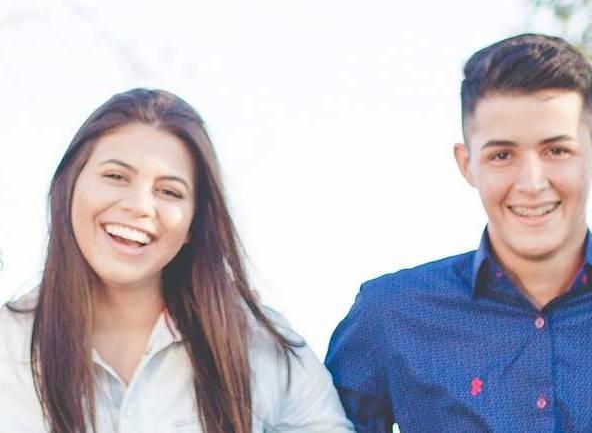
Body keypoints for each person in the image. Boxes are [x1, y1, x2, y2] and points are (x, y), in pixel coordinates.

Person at [325, 33, 592, 432]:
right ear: (467, 164)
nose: (532, 182)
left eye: (556, 150)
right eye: (502, 155)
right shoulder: (390, 315)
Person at [0, 89, 354, 433]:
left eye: (169, 191)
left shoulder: (261, 346)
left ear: (193, 223)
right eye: (116, 176)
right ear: (69, 187)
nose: (139, 205)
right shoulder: (8, 344)